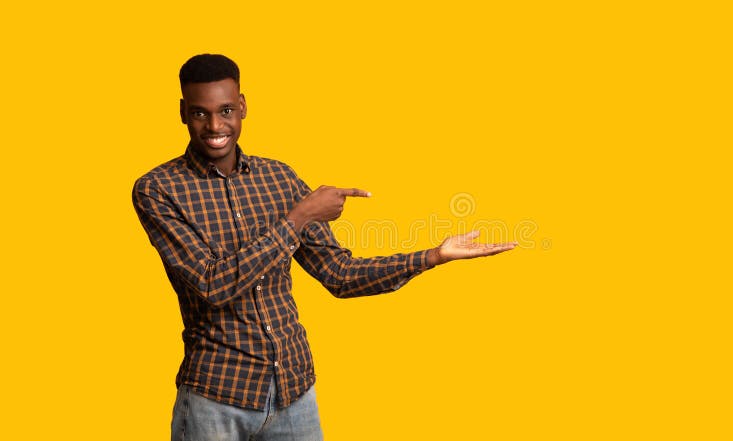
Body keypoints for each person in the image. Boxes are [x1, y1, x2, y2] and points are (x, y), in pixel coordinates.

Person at [132, 54, 517, 441]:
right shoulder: (158, 189)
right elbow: (212, 285)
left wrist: (432, 256)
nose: (215, 126)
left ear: (243, 106)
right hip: (216, 398)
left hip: (293, 393)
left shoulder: (278, 178)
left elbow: (339, 275)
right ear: (183, 112)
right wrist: (297, 219)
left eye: (226, 110)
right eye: (200, 113)